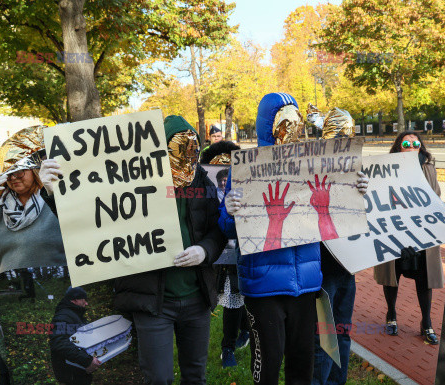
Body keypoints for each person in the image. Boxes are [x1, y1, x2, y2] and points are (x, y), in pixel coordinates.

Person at [219, 92, 369, 385]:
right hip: (264, 287)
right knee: (269, 365)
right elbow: (225, 228)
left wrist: (356, 188)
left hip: (306, 283)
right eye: (284, 123)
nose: (293, 130)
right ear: (269, 128)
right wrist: (229, 211)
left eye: (296, 122)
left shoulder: (313, 164)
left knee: (302, 365)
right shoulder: (246, 170)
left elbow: (340, 215)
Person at [112, 115, 227, 385]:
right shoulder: (134, 180)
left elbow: (217, 229)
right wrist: (51, 191)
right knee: (158, 378)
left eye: (191, 153)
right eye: (178, 153)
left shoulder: (201, 182)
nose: (186, 161)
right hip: (153, 302)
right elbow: (92, 219)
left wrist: (204, 251)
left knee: (195, 374)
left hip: (196, 298)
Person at [0, 127, 66, 385]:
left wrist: (55, 194)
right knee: (17, 371)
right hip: (13, 299)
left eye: (21, 168)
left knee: (56, 369)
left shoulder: (55, 196)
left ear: (36, 168)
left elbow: (82, 229)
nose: (14, 176)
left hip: (56, 296)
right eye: (9, 171)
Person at [312, 108, 369, 385]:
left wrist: (365, 190)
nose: (346, 140)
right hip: (320, 270)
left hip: (347, 268)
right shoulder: (309, 166)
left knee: (342, 333)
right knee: (323, 338)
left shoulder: (355, 171)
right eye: (340, 134)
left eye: (349, 134)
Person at [374, 130, 443, 345]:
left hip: (421, 233)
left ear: (421, 147)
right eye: (406, 143)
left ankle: (427, 322)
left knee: (424, 278)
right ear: (398, 147)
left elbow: (436, 197)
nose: (412, 146)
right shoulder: (386, 169)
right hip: (395, 232)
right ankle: (391, 315)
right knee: (392, 276)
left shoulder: (429, 168)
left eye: (416, 143)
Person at [200, 140, 249, 368]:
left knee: (238, 297)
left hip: (240, 248)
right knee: (233, 299)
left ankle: (236, 340)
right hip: (217, 251)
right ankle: (234, 341)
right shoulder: (204, 191)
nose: (224, 181)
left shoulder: (243, 185)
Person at [49, 287, 101, 385]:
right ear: (75, 300)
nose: (86, 303)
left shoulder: (75, 314)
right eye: (84, 300)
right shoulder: (63, 317)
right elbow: (60, 343)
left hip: (78, 370)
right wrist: (87, 360)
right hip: (70, 374)